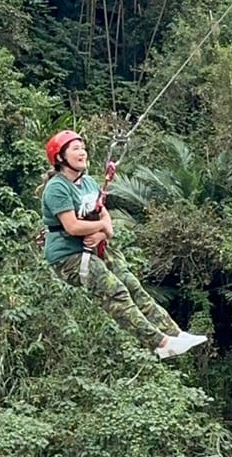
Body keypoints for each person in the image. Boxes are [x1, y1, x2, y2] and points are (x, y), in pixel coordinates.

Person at [41, 129, 207, 360]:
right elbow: (72, 227)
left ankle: (174, 333)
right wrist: (101, 229)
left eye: (83, 147)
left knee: (132, 284)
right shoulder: (57, 188)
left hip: (95, 245)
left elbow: (105, 216)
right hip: (69, 255)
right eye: (76, 149)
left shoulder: (87, 182)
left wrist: (103, 231)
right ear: (61, 158)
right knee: (115, 291)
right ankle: (159, 343)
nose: (83, 152)